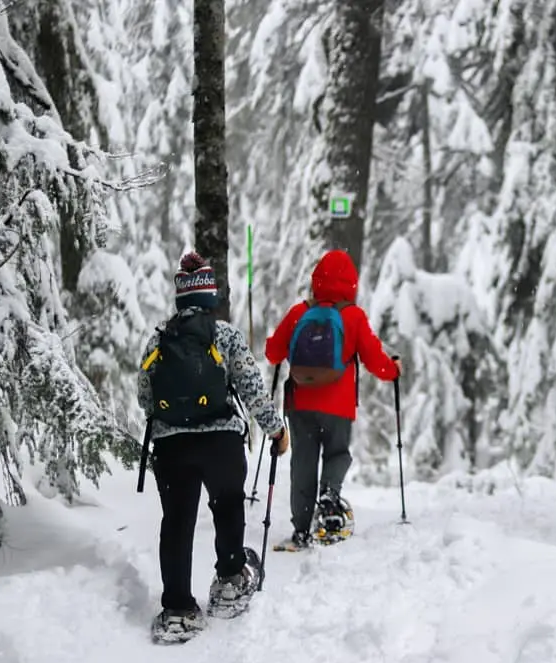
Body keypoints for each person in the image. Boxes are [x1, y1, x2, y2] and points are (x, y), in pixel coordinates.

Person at [138, 251, 289, 643]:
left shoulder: (159, 339)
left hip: (171, 446)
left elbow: (145, 397)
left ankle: (177, 609)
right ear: (209, 296)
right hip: (220, 441)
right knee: (227, 506)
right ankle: (228, 583)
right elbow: (252, 390)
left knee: (176, 523)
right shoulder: (225, 336)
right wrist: (276, 430)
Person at [265, 249, 402, 550]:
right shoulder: (352, 316)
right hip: (339, 406)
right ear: (352, 284)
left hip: (300, 403)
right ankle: (329, 500)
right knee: (337, 454)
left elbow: (273, 353)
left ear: (316, 282)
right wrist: (393, 371)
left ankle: (301, 531)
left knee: (303, 463)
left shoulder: (300, 313)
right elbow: (374, 358)